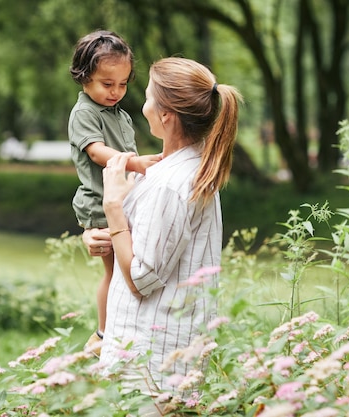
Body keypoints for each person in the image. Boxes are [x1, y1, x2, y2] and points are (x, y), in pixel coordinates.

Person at [82, 57, 242, 398]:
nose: (143, 106)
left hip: (152, 365)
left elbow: (141, 279)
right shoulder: (173, 171)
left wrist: (112, 208)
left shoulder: (172, 183)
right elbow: (145, 245)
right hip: (151, 355)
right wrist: (104, 235)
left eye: (149, 96)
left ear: (166, 114)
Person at [68, 30, 160, 355]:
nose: (116, 92)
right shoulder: (84, 113)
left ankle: (120, 329)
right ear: (84, 76)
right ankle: (104, 332)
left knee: (127, 270)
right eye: (107, 84)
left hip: (123, 200)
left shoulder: (119, 114)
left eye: (123, 84)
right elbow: (96, 152)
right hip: (100, 204)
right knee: (115, 272)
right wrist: (136, 164)